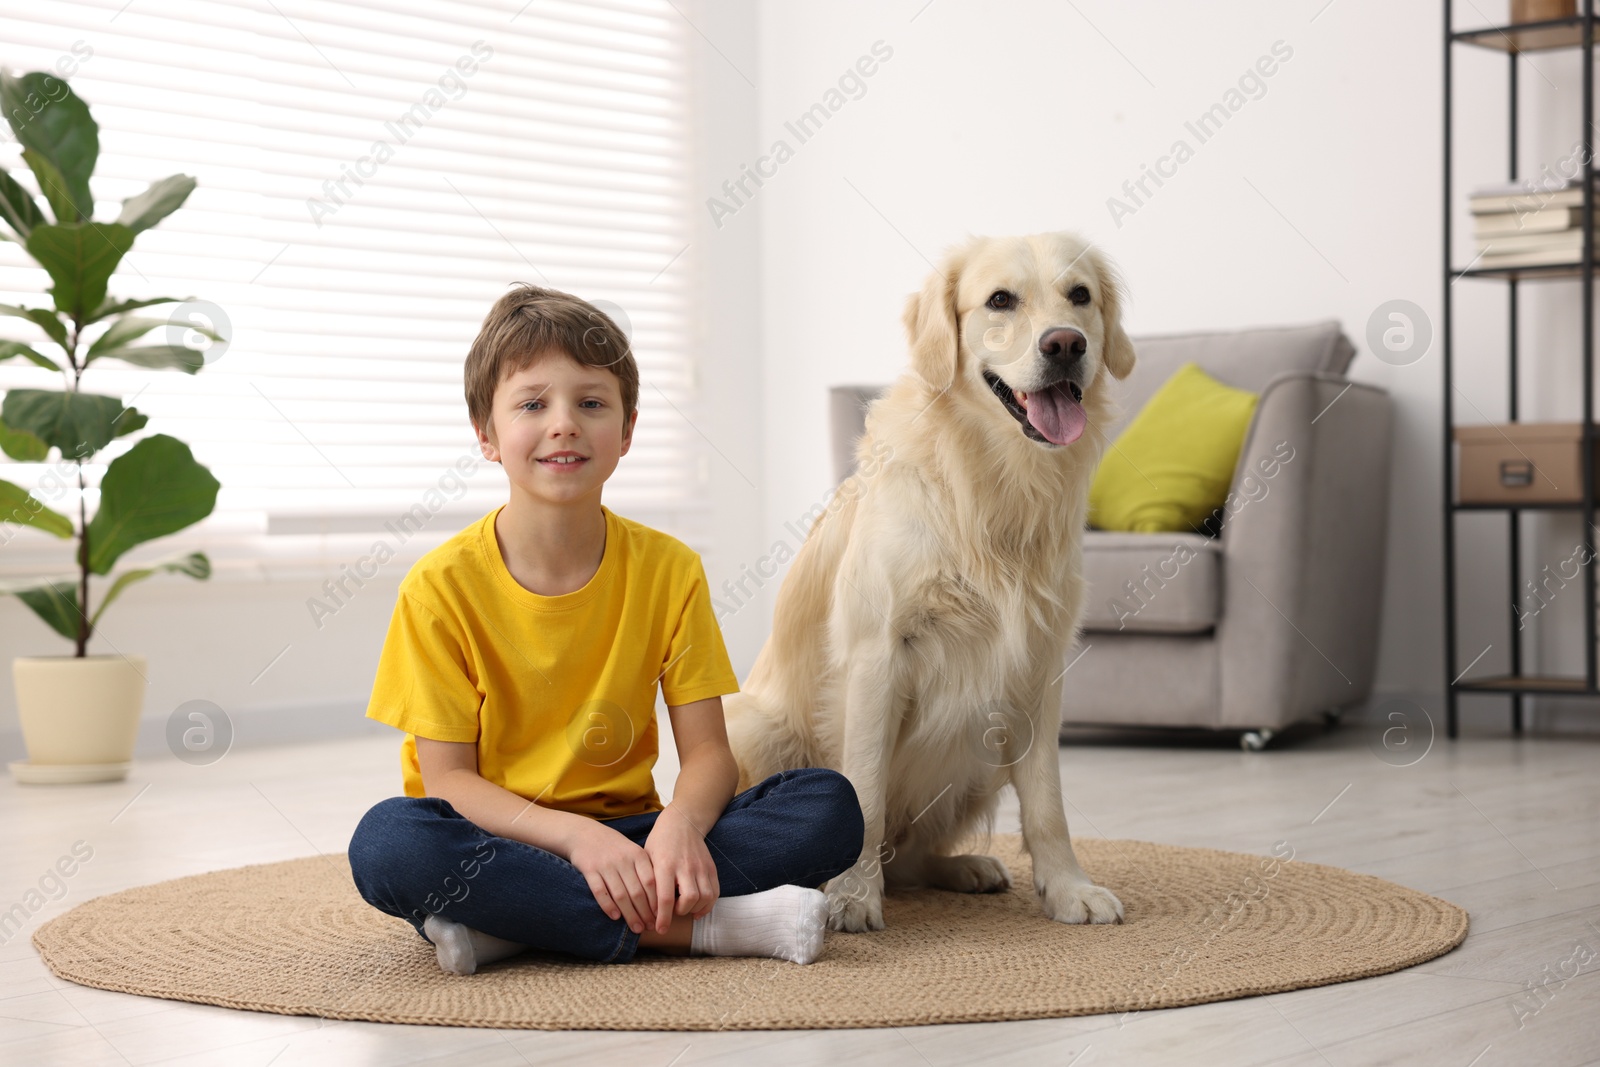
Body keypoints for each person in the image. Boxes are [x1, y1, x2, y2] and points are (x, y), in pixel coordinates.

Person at [348, 284, 865, 974]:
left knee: (826, 804)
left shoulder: (669, 569)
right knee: (390, 842)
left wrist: (680, 824)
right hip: (499, 836)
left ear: (625, 430)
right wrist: (578, 841)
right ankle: (704, 928)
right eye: (533, 404)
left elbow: (709, 751)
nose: (564, 423)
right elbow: (448, 783)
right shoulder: (438, 588)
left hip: (637, 836)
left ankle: (516, 925)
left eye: (591, 403)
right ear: (486, 434)